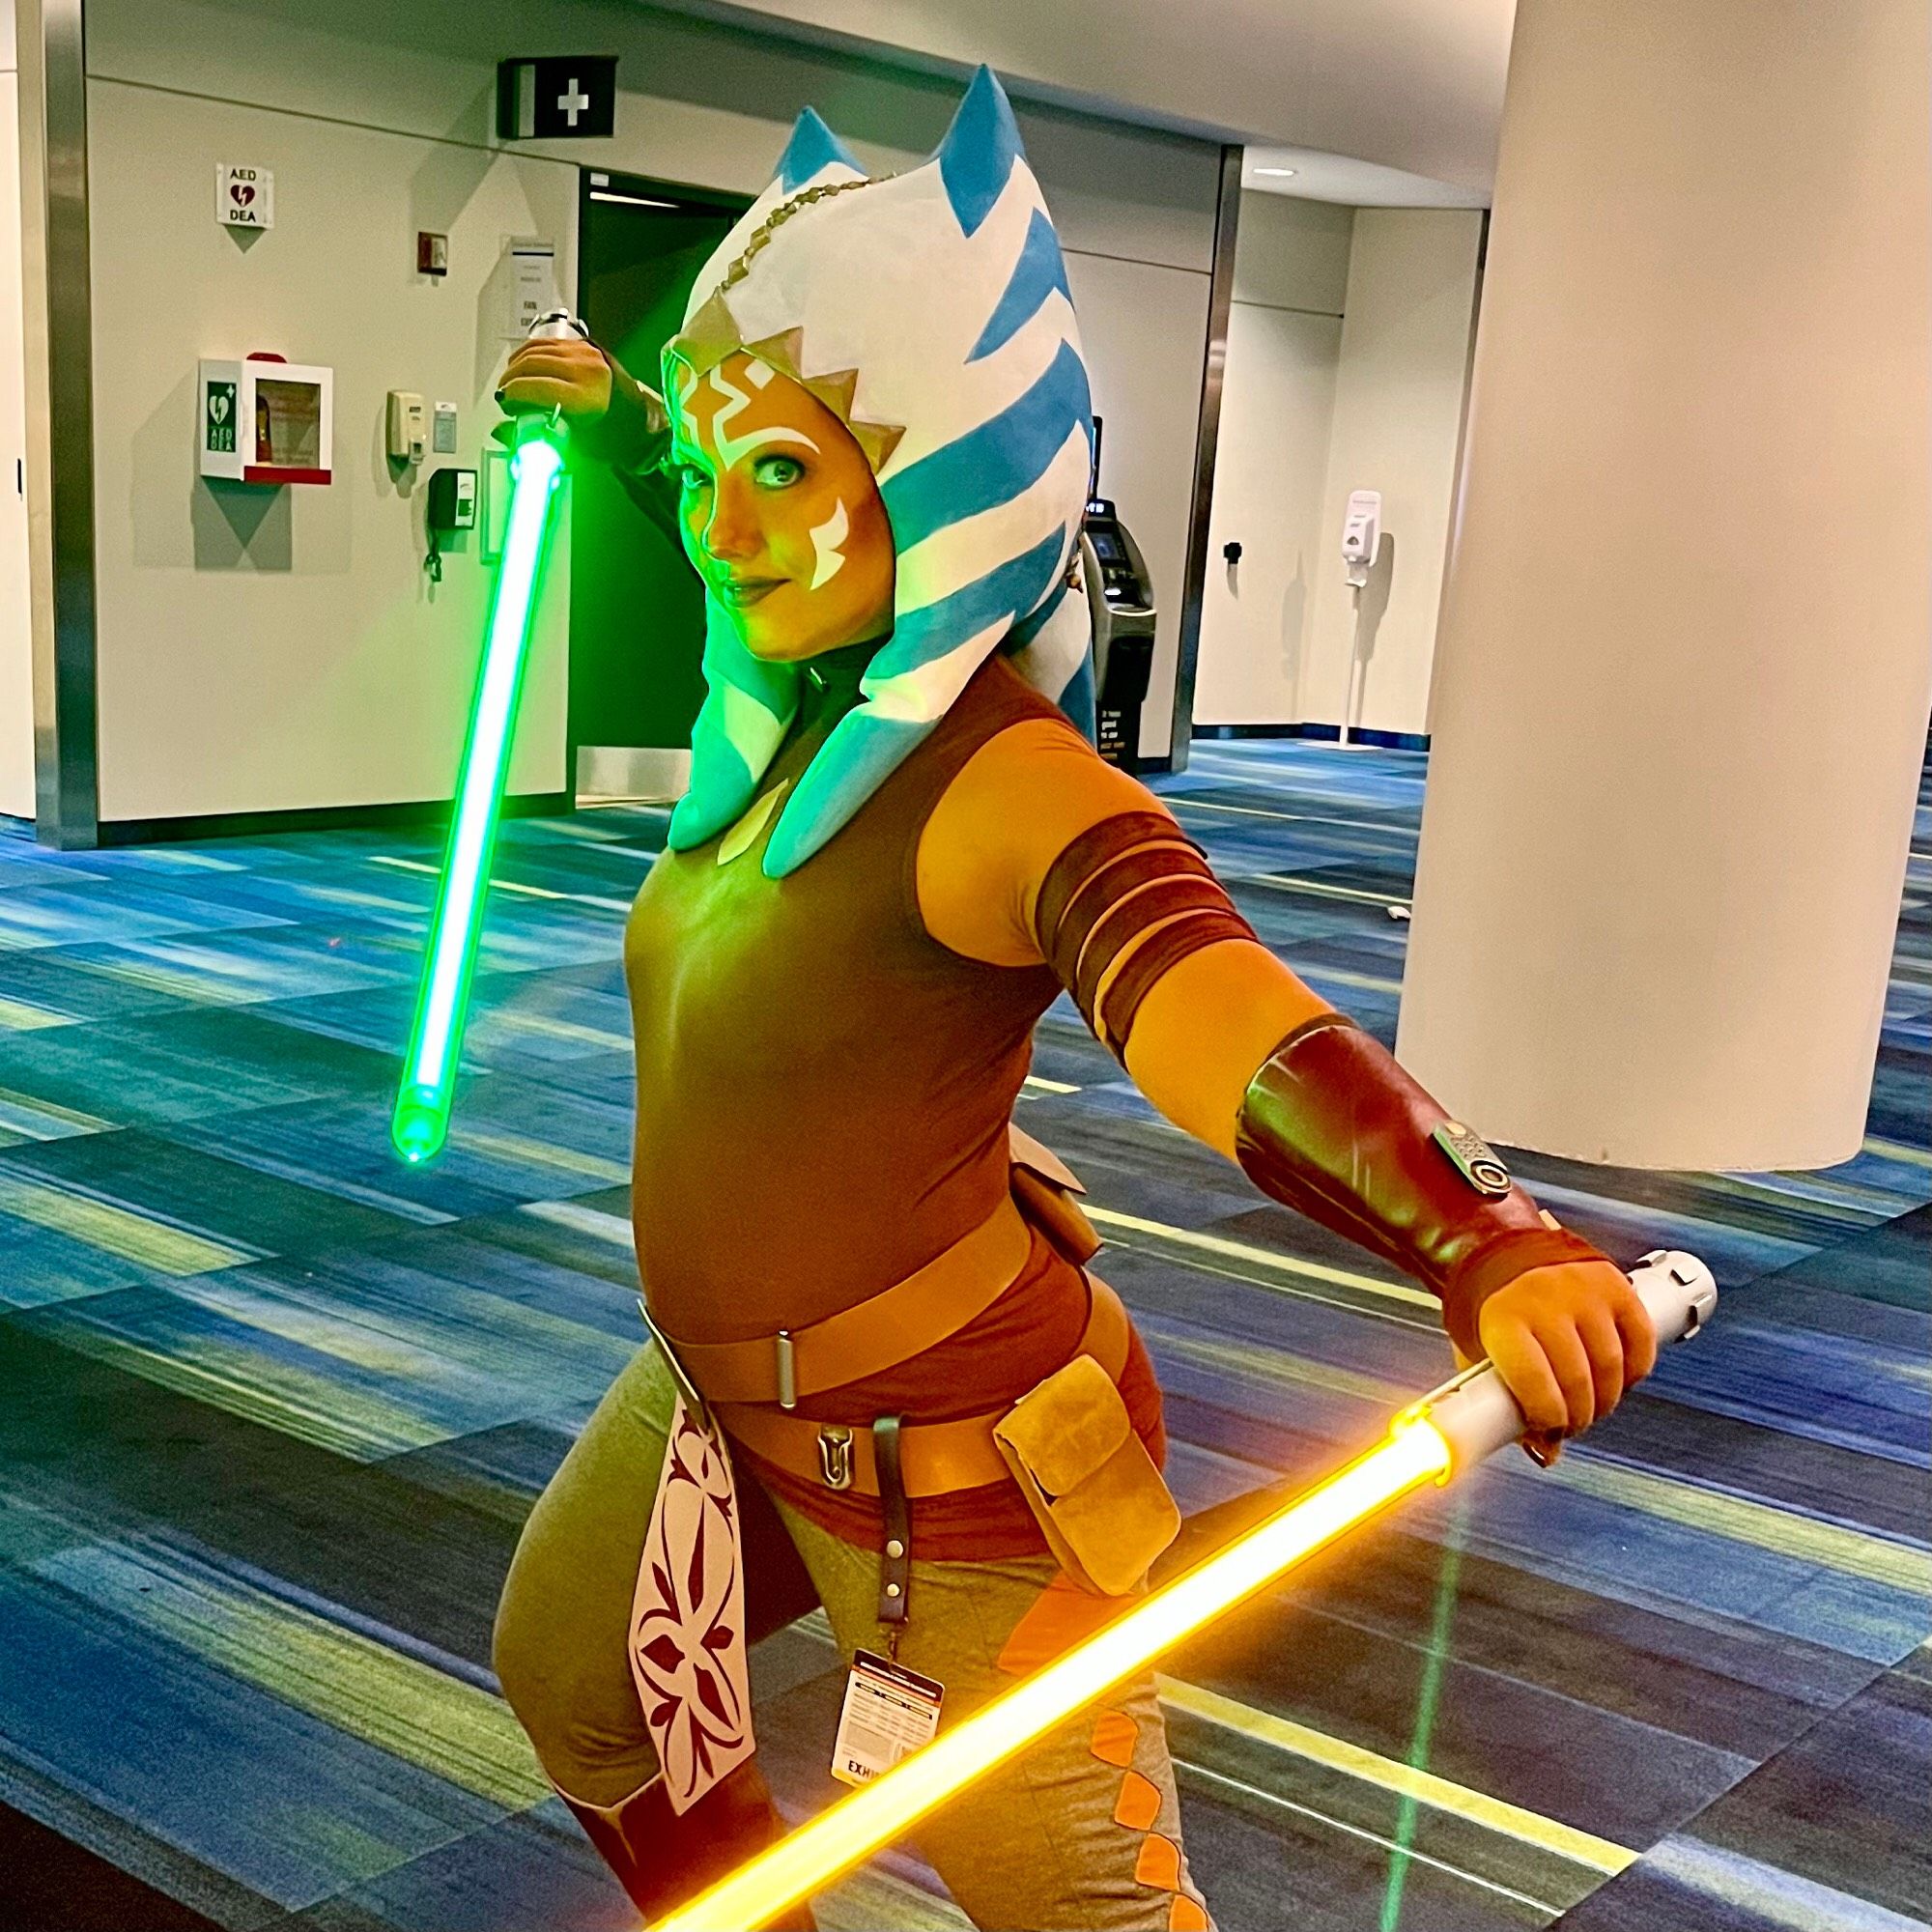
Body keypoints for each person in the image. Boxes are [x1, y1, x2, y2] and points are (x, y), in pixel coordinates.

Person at [490, 71, 1657, 1932]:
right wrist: (656, 433)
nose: (722, 523)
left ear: (951, 471)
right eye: (715, 477)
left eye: (779, 471)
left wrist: (1485, 1238)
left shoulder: (1012, 784)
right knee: (585, 1688)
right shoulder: (801, 727)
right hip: (712, 1398)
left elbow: (1226, 1016)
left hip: (943, 1478)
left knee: (1082, 1914)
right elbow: (773, 531)